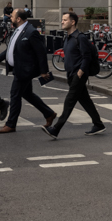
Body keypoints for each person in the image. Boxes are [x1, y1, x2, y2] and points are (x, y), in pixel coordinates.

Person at [0, 8, 56, 134]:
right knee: (27, 94)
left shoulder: (31, 32)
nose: (10, 18)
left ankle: (11, 124)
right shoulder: (17, 30)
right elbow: (11, 49)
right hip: (19, 68)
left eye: (12, 16)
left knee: (15, 95)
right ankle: (49, 113)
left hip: (25, 70)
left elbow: (41, 52)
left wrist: (44, 71)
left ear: (18, 19)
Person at [45, 11, 105, 139]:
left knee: (69, 101)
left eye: (65, 20)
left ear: (73, 22)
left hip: (78, 75)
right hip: (71, 74)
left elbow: (87, 56)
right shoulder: (68, 38)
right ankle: (98, 124)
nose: (62, 22)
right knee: (85, 100)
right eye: (62, 19)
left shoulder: (80, 37)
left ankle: (56, 129)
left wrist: (81, 71)